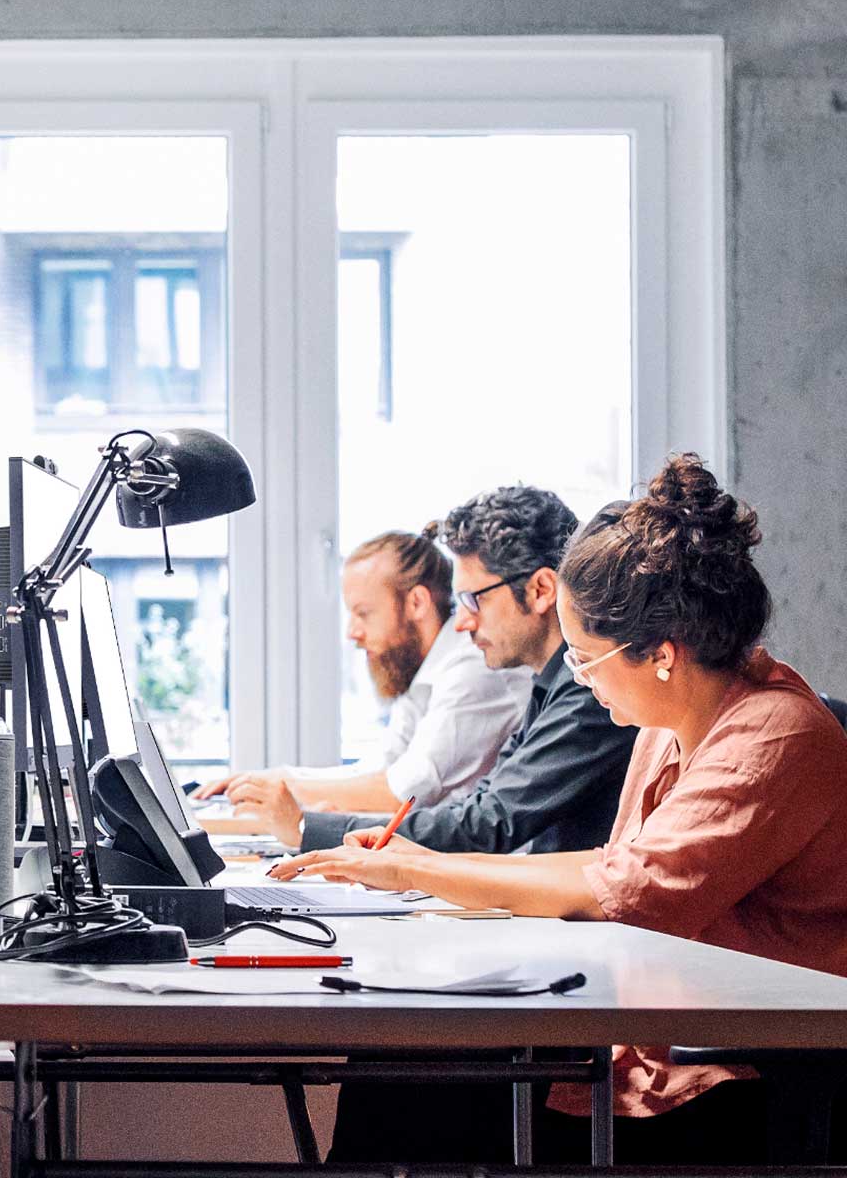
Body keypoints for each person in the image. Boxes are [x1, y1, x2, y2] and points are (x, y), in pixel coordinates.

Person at [271, 455, 847, 1164]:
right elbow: (621, 865)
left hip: (746, 1071)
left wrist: (423, 875)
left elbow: (626, 895)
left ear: (661, 654)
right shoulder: (676, 721)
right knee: (393, 1073)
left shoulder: (772, 734)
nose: (579, 679)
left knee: (406, 1092)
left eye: (585, 659)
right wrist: (424, 863)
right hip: (677, 1028)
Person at [234, 485, 638, 853]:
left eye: (474, 600)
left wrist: (312, 830)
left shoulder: (591, 689)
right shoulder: (550, 683)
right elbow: (482, 806)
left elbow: (488, 825)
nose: (461, 622)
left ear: (540, 590)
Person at [197, 531, 530, 832]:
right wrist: (272, 780)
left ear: (417, 602)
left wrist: (284, 788)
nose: (352, 633)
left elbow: (402, 792)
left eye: (363, 613)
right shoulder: (423, 673)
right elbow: (383, 767)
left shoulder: (474, 667)